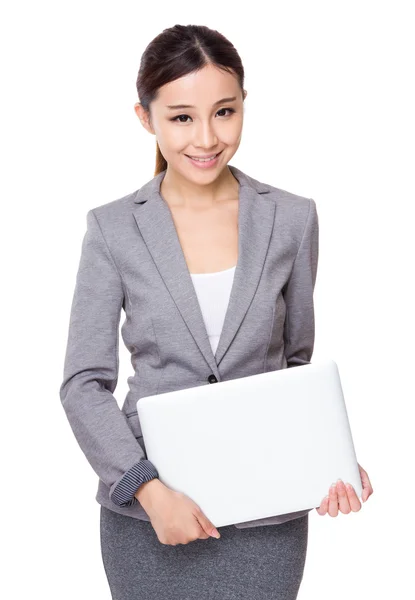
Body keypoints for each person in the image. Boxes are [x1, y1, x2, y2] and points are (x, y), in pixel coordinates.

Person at [59, 23, 374, 600]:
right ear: (145, 117)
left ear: (243, 107)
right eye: (181, 117)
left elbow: (295, 366)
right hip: (148, 518)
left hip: (267, 517)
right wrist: (149, 491)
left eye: (224, 112)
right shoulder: (112, 229)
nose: (206, 137)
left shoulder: (292, 219)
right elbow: (84, 383)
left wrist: (329, 454)